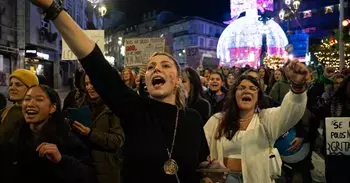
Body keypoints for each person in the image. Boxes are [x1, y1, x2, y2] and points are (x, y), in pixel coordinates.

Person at [30, 1, 209, 182]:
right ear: (145, 81)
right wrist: (53, 8)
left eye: (165, 65)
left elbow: (202, 163)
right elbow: (96, 64)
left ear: (178, 79)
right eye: (150, 67)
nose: (157, 69)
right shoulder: (135, 109)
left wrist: (212, 171)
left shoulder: (193, 119)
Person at [204, 60, 308, 183]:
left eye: (253, 88)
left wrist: (297, 86)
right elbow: (201, 152)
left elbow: (291, 111)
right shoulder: (216, 121)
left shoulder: (266, 119)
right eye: (241, 88)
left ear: (258, 96)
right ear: (234, 94)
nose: (246, 91)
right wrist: (207, 169)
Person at [0, 85, 95, 183]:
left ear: (52, 108)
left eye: (39, 100)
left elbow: (88, 175)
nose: (30, 104)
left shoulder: (66, 138)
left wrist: (61, 160)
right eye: (27, 99)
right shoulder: (13, 136)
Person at [71, 74, 125, 183]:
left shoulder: (114, 108)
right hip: (84, 166)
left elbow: (117, 141)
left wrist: (90, 133)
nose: (89, 87)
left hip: (106, 170)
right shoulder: (81, 104)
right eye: (86, 84)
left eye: (92, 83)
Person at [0, 69, 39, 144]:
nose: (12, 88)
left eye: (18, 85)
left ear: (31, 89)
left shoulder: (37, 114)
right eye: (11, 84)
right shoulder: (8, 110)